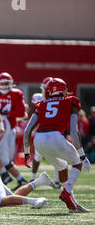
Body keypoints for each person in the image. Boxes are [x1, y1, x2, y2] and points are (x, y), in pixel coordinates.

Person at [23, 78, 91, 213]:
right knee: (77, 162)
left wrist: (26, 154)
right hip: (55, 136)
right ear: (63, 89)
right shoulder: (71, 101)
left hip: (39, 139)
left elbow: (27, 130)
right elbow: (73, 130)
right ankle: (67, 191)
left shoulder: (41, 104)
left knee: (62, 166)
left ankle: (73, 204)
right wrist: (82, 155)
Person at [0, 72, 28, 190]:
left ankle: (3, 175)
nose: (4, 86)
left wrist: (6, 113)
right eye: (2, 83)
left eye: (7, 83)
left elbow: (22, 113)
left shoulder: (16, 94)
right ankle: (18, 178)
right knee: (1, 156)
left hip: (8, 129)